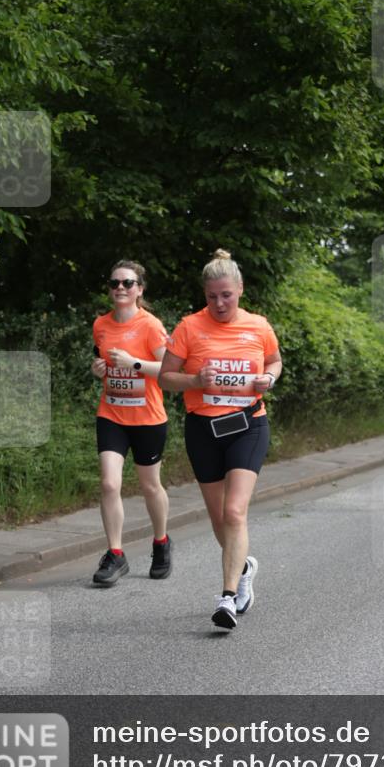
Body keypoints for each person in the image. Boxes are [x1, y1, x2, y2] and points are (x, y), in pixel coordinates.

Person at [159, 249, 282, 630]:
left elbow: (274, 360)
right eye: (212, 296)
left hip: (248, 425)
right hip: (204, 429)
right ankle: (243, 568)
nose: (220, 303)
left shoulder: (258, 326)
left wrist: (269, 378)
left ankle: (227, 597)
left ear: (240, 289)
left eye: (226, 295)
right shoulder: (189, 327)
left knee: (234, 512)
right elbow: (165, 377)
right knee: (218, 518)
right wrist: (195, 380)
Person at [91, 260, 171, 585]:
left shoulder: (151, 326)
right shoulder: (101, 325)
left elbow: (168, 370)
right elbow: (100, 359)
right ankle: (115, 554)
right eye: (115, 283)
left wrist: (135, 363)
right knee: (110, 484)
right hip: (111, 415)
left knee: (150, 486)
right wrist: (98, 369)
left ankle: (161, 542)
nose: (120, 288)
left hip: (147, 418)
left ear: (140, 289)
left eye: (127, 283)